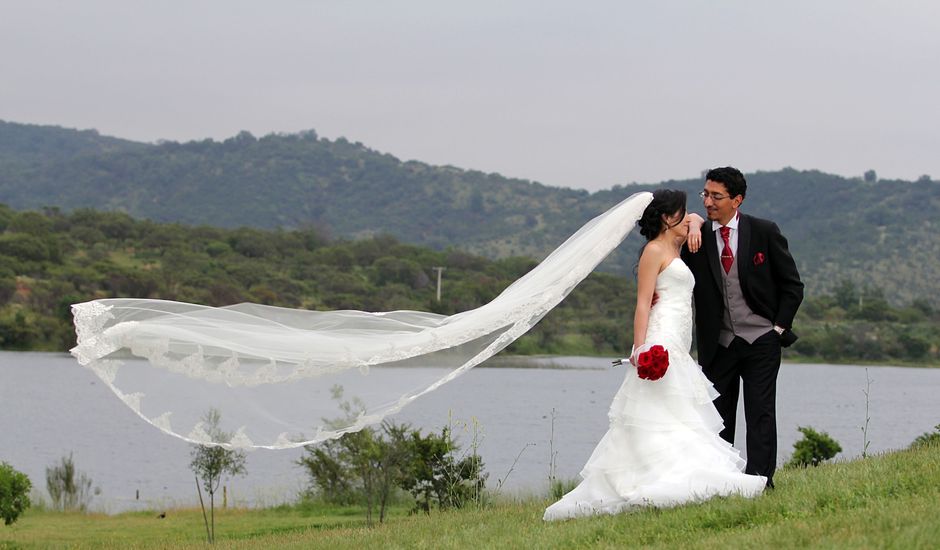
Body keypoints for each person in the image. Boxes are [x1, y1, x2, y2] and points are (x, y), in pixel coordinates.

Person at [543, 189, 765, 521]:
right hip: (660, 341)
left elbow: (697, 220)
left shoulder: (677, 244)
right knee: (658, 411)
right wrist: (640, 348)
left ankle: (678, 473)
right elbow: (643, 302)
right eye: (683, 211)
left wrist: (692, 223)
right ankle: (654, 478)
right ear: (666, 217)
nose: (691, 213)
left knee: (679, 412)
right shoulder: (653, 251)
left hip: (678, 342)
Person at [680, 167, 803, 489]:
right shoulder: (698, 236)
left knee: (761, 413)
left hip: (761, 338)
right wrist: (693, 221)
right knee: (718, 416)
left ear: (737, 200)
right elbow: (665, 233)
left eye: (716, 196)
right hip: (717, 342)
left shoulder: (764, 231)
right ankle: (723, 480)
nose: (708, 201)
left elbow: (792, 285)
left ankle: (761, 482)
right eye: (705, 194)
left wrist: (778, 329)